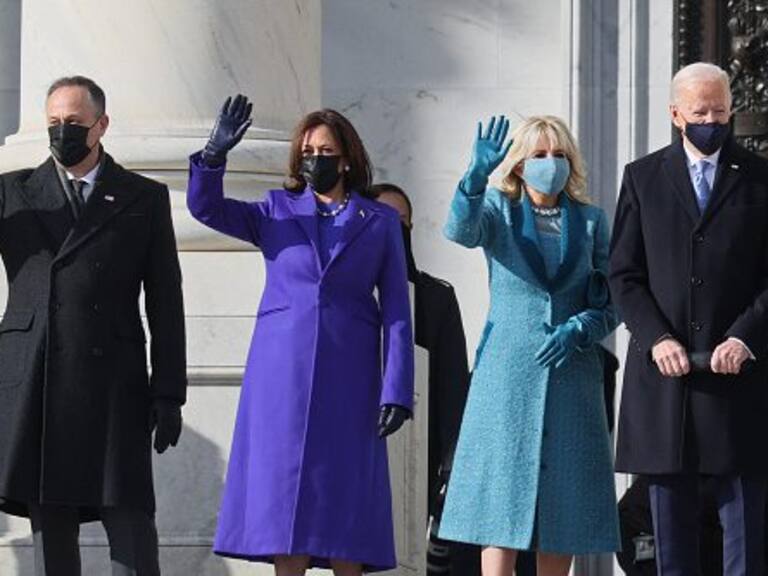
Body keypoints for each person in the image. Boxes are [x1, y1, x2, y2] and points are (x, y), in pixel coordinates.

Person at [186, 96, 414, 576]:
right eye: (307, 150)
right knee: (282, 504)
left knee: (346, 504)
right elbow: (204, 208)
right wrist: (212, 157)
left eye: (325, 150)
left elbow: (395, 307)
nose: (315, 158)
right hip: (280, 377)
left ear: (346, 158)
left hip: (350, 376)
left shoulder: (380, 221)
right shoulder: (275, 209)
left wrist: (396, 390)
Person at [0, 75, 187, 576]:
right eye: (55, 123)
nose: (63, 133)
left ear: (101, 125)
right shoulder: (13, 193)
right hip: (38, 379)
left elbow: (166, 299)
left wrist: (169, 391)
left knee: (131, 535)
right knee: (53, 537)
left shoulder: (142, 197)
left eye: (75, 123)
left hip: (114, 385)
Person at [438, 115, 620, 576]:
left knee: (564, 510)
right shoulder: (498, 209)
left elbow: (614, 299)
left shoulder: (592, 221)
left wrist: (582, 328)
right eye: (539, 155)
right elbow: (460, 231)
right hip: (507, 377)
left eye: (559, 155)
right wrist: (474, 178)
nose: (550, 164)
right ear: (518, 164)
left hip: (572, 376)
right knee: (501, 507)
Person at [609, 61, 768, 576]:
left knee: (744, 535)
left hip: (738, 381)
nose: (712, 120)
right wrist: (656, 338)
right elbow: (624, 274)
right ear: (676, 114)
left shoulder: (761, 178)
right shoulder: (643, 177)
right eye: (701, 111)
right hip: (665, 384)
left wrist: (745, 336)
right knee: (670, 539)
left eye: (721, 110)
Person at [371, 183, 480, 576]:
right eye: (381, 219)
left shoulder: (435, 297)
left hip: (420, 450)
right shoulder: (349, 294)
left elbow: (453, 389)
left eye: (401, 222)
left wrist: (450, 470)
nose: (393, 230)